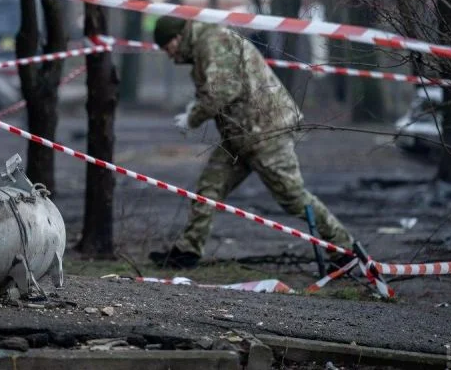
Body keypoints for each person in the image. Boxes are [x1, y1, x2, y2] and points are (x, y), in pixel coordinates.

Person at [148, 16, 353, 269]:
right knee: (208, 189)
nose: (170, 55)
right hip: (239, 135)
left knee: (293, 197)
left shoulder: (213, 41)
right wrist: (197, 109)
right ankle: (187, 251)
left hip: (267, 131)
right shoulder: (205, 45)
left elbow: (223, 91)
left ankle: (345, 252)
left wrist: (193, 117)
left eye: (169, 48)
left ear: (177, 38)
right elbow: (218, 89)